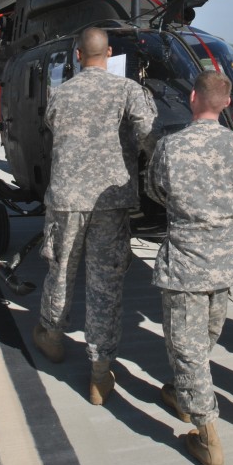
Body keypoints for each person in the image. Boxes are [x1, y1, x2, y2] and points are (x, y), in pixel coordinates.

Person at [34, 26, 158, 404]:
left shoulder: (61, 93)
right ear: (108, 55)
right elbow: (149, 137)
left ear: (77, 56)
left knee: (61, 271)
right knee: (105, 283)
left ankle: (53, 338)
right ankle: (100, 372)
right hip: (111, 201)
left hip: (67, 199)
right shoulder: (127, 91)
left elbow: (52, 126)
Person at [146, 71, 233, 465]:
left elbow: (155, 191)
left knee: (188, 346)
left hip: (187, 260)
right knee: (207, 335)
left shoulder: (170, 147)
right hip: (226, 260)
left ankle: (207, 434)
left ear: (193, 96)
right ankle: (185, 391)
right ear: (227, 102)